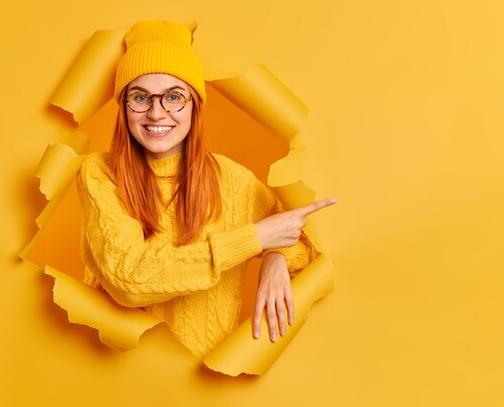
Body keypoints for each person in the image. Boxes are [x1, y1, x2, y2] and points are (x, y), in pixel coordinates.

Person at [77, 20, 336, 358]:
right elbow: (129, 280)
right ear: (124, 107)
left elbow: (300, 245)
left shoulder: (234, 181)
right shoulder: (99, 173)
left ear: (195, 106)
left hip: (203, 386)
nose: (157, 112)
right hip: (108, 378)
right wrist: (254, 239)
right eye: (140, 97)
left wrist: (274, 256)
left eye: (173, 96)